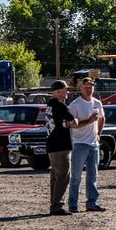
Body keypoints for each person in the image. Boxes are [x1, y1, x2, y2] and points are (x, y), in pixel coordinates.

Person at [66, 77, 106, 212]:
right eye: (86, 87)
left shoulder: (97, 103)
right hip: (79, 143)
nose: (89, 89)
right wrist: (88, 122)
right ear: (80, 88)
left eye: (91, 87)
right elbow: (71, 125)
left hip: (94, 144)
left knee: (93, 175)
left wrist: (99, 134)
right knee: (76, 176)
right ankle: (73, 204)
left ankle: (92, 202)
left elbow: (102, 118)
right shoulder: (75, 104)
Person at [45, 80, 75, 216]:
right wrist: (69, 123)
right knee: (63, 176)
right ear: (58, 91)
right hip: (61, 145)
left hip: (51, 144)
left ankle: (54, 204)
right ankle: (57, 206)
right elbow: (73, 122)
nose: (67, 92)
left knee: (55, 177)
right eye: (64, 90)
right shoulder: (61, 106)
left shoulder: (49, 105)